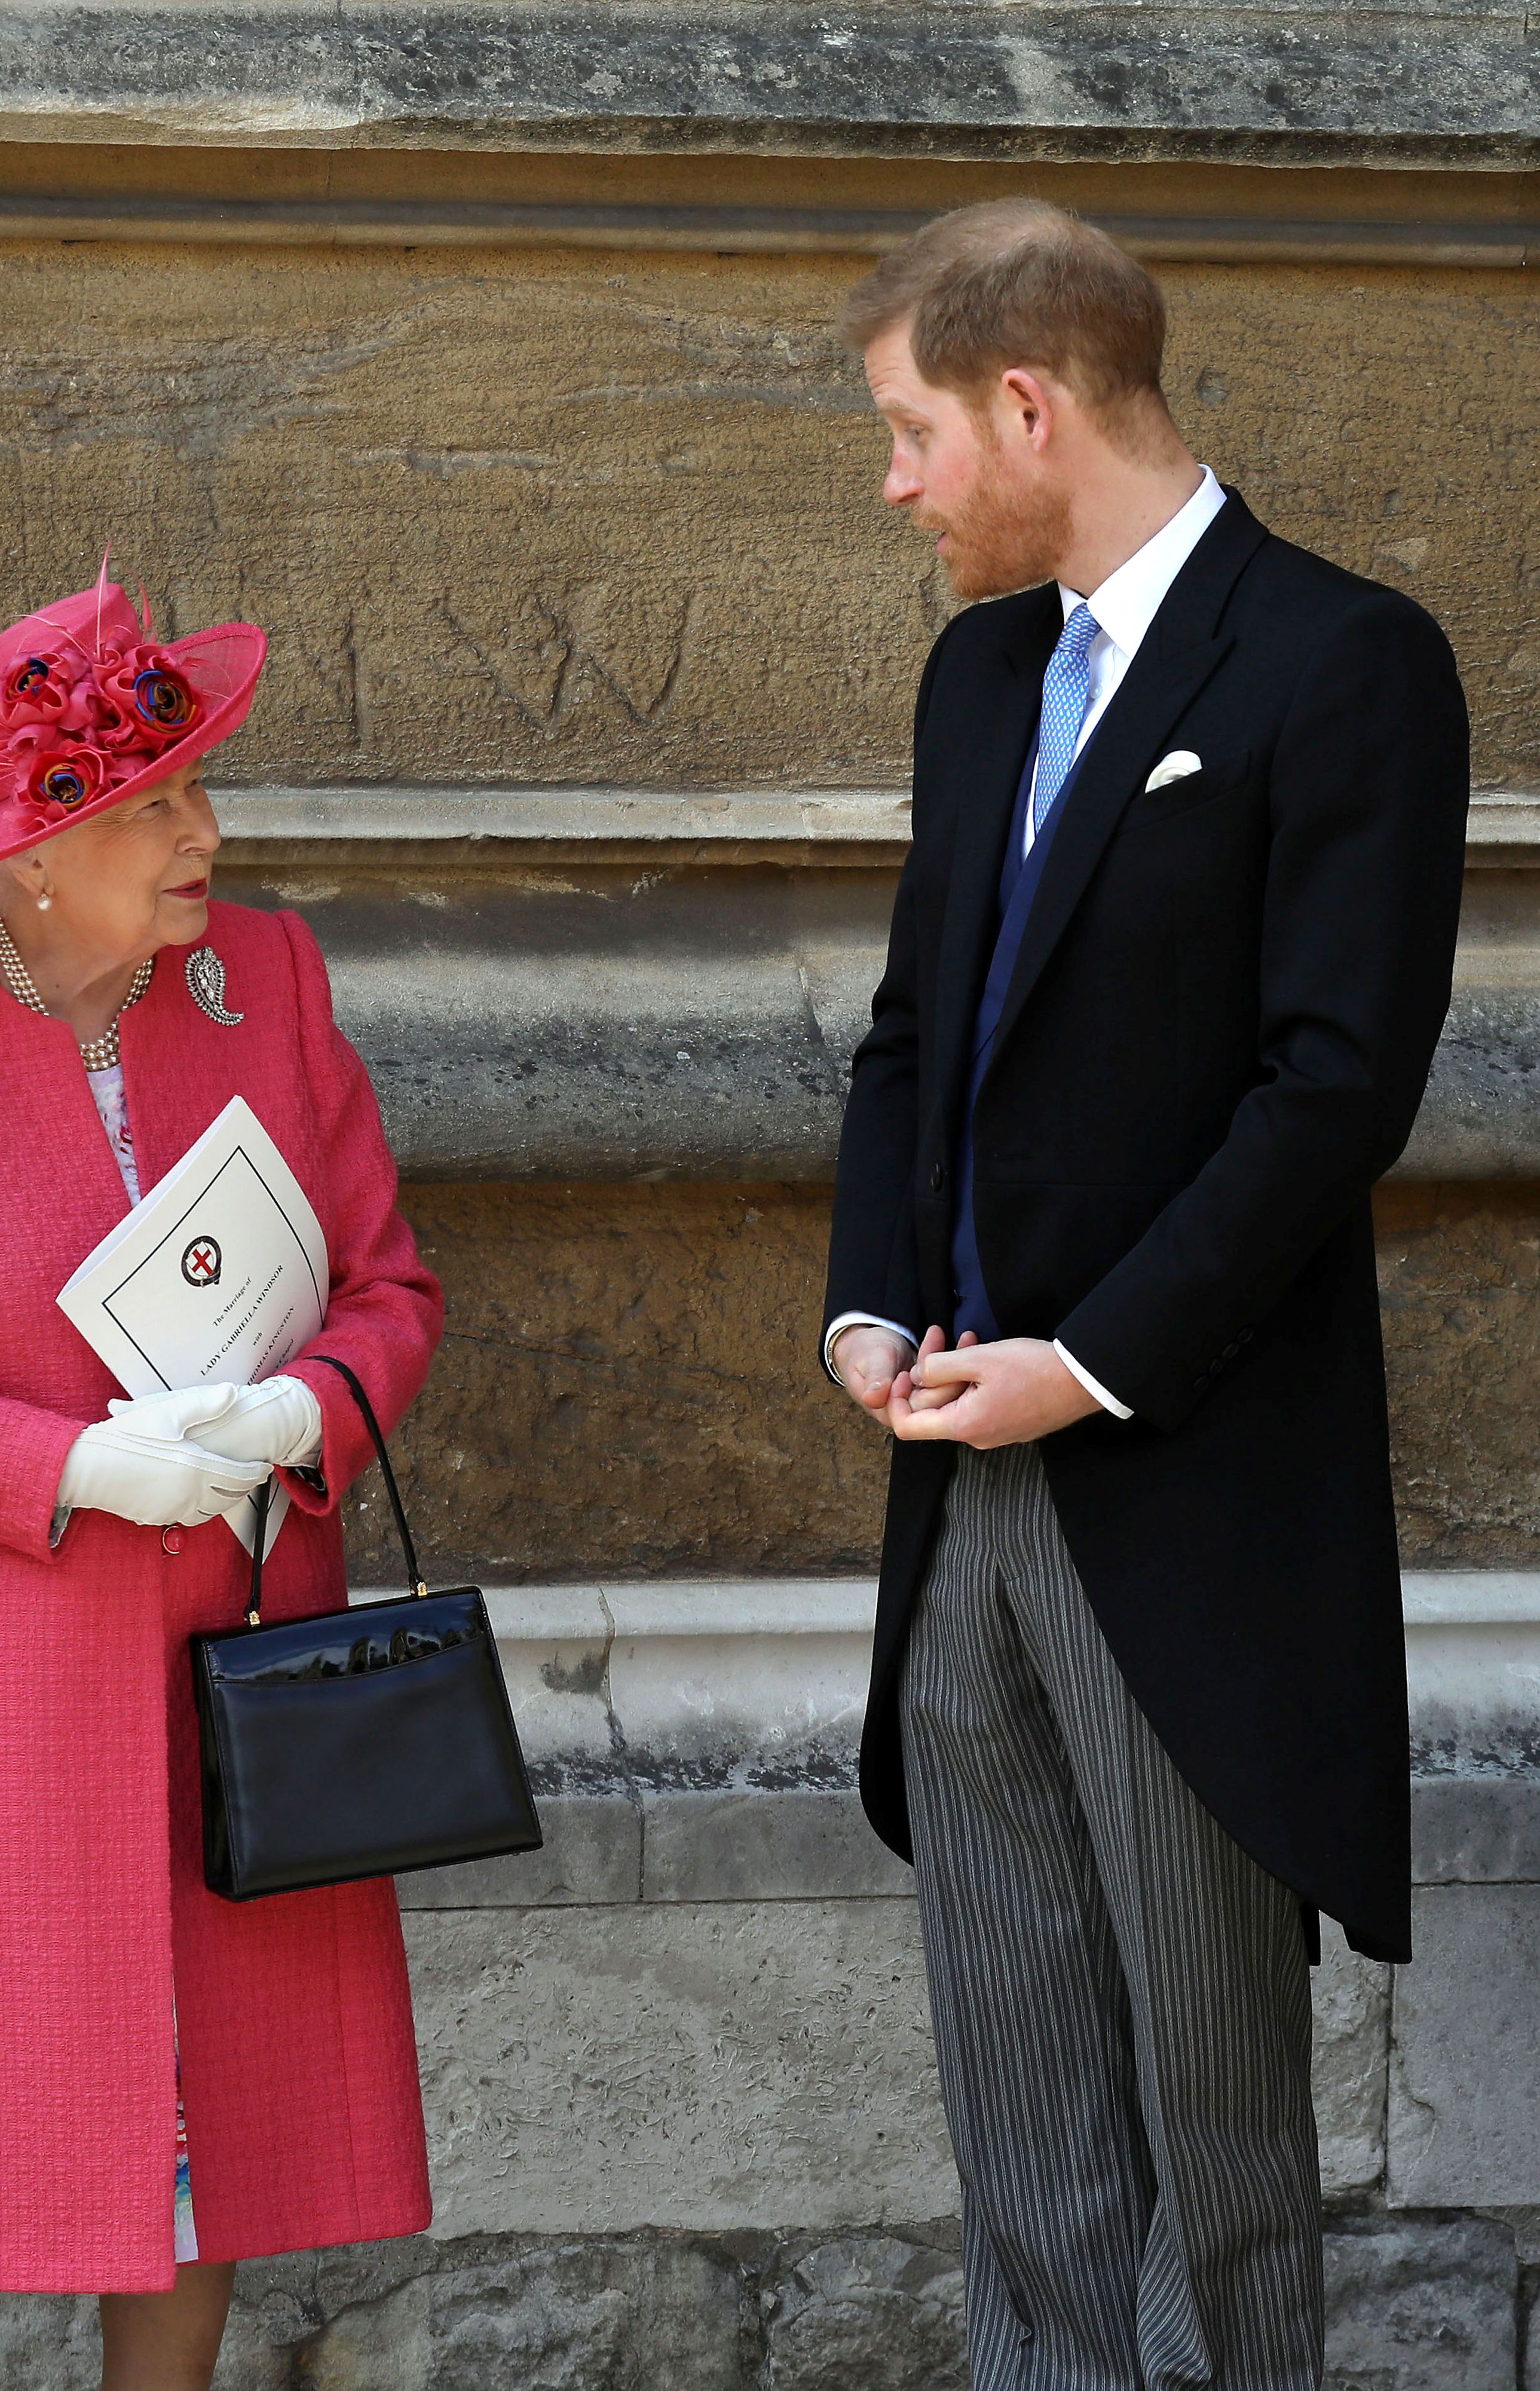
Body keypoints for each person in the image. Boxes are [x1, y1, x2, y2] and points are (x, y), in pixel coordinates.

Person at [822, 201, 1469, 2386]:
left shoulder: (1338, 661)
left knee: (1216, 2135)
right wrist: (867, 1312)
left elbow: (1331, 1092)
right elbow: (914, 1038)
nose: (895, 479)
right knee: (1018, 2126)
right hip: (952, 1504)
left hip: (1179, 1496)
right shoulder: (974, 673)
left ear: (1030, 403)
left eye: (914, 430)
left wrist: (1082, 1366)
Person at [0, 576, 443, 2391]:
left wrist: (308, 1417)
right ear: (40, 854)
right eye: (154, 806)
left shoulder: (265, 980)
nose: (206, 833)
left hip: (231, 1647)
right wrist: (68, 1460)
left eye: (197, 791)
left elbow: (388, 1287)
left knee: (207, 2118)